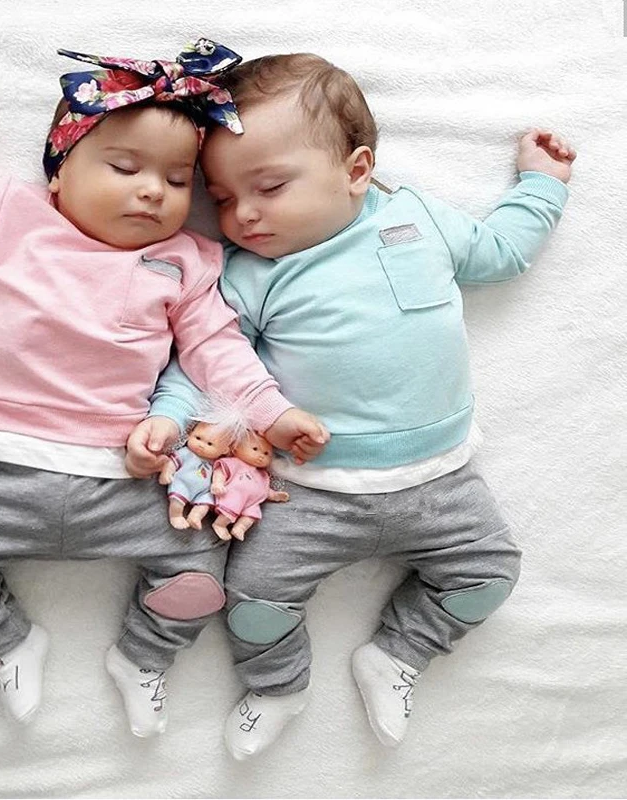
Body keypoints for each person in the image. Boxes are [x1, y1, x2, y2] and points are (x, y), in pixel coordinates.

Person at [125, 53, 575, 757]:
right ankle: (277, 686)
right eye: (223, 197)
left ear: (357, 170)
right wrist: (166, 414)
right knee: (253, 604)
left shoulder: (417, 218)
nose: (244, 214)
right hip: (309, 493)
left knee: (490, 577)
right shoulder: (249, 276)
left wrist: (541, 186)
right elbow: (206, 361)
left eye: (270, 187)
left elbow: (499, 253)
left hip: (440, 482)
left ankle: (398, 654)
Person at [0, 41, 328, 735]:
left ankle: (143, 657)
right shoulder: (13, 216)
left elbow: (217, 349)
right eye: (124, 167)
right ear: (60, 173)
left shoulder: (183, 261)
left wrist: (271, 412)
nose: (152, 190)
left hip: (125, 476)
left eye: (177, 180)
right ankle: (7, 641)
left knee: (199, 579)